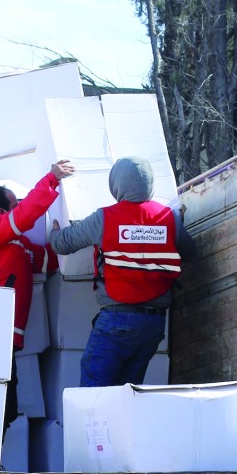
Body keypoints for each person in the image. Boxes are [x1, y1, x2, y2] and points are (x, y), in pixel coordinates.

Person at [48, 155, 197, 388]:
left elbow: (63, 244)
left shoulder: (105, 218)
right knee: (127, 393)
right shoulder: (168, 218)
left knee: (93, 388)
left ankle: (91, 427)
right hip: (154, 324)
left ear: (116, 184)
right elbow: (190, 252)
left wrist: (55, 233)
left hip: (118, 319)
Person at [0, 159, 75, 443]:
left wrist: (62, 235)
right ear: (2, 212)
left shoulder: (18, 246)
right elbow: (24, 217)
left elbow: (47, 261)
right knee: (0, 403)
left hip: (3, 336)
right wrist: (51, 179)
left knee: (5, 404)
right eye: (16, 204)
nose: (20, 207)